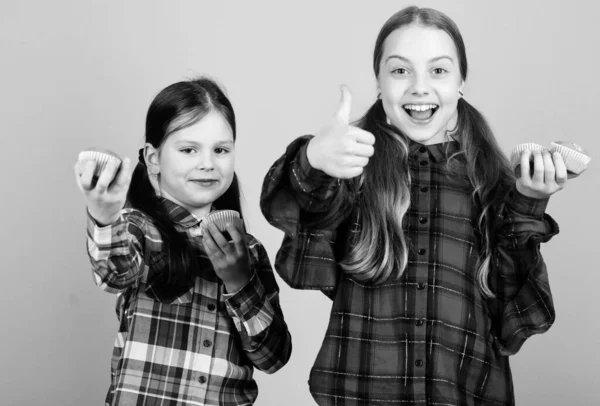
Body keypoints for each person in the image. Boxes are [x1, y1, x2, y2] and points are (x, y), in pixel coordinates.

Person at [260, 6, 564, 405]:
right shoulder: (352, 167)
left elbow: (513, 308)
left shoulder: (491, 180)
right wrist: (313, 158)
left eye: (438, 70)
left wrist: (528, 204)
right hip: (362, 392)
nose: (419, 87)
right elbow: (299, 221)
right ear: (380, 82)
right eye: (400, 70)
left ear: (461, 83)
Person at [75, 77, 292, 405]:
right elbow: (113, 273)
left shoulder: (248, 250)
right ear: (153, 158)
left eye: (220, 150)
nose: (207, 163)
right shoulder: (140, 229)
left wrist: (239, 282)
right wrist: (104, 215)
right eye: (189, 149)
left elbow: (272, 357)